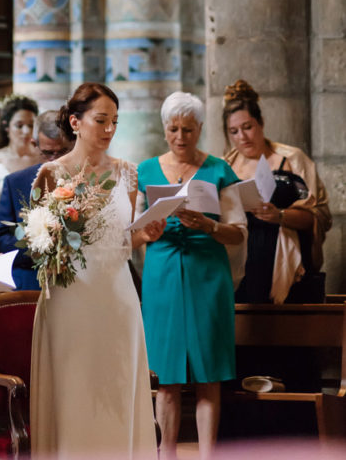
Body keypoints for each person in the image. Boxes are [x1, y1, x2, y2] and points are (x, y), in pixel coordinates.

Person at [30, 82, 164, 459]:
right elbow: (39, 245)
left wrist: (145, 234)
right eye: (100, 120)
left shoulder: (128, 173)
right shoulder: (51, 174)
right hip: (70, 299)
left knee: (118, 392)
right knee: (75, 393)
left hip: (118, 298)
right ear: (75, 122)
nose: (108, 130)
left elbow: (122, 242)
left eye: (114, 122)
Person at [137, 91, 246, 460]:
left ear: (200, 128)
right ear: (164, 129)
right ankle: (165, 455)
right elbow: (133, 232)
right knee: (165, 377)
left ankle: (206, 456)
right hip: (162, 274)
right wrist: (146, 232)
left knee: (208, 375)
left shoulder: (217, 169)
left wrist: (208, 225)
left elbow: (239, 231)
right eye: (173, 129)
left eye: (188, 129)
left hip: (207, 275)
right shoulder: (146, 170)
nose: (180, 137)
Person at [223, 78, 331, 304]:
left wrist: (279, 216)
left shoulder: (292, 160)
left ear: (261, 123)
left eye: (247, 127)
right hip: (239, 263)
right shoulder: (224, 167)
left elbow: (319, 215)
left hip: (285, 260)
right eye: (234, 131)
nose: (242, 137)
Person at [0, 110, 73, 289]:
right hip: (31, 278)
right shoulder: (16, 182)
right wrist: (35, 247)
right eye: (48, 153)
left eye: (62, 152)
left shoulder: (84, 181)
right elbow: (0, 238)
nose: (55, 160)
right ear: (34, 144)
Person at [0, 93, 41, 211]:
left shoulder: (43, 158)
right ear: (7, 126)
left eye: (30, 125)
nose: (26, 131)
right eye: (19, 125)